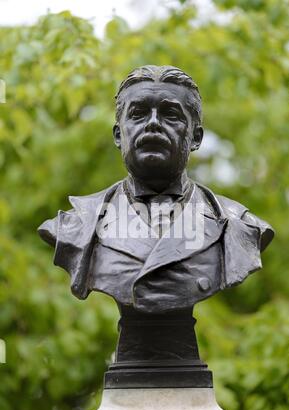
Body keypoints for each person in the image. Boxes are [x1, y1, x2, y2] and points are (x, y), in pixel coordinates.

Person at [38, 65, 274, 313]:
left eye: (170, 114)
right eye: (138, 114)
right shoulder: (75, 226)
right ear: (119, 135)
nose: (153, 124)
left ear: (196, 137)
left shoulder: (239, 226)